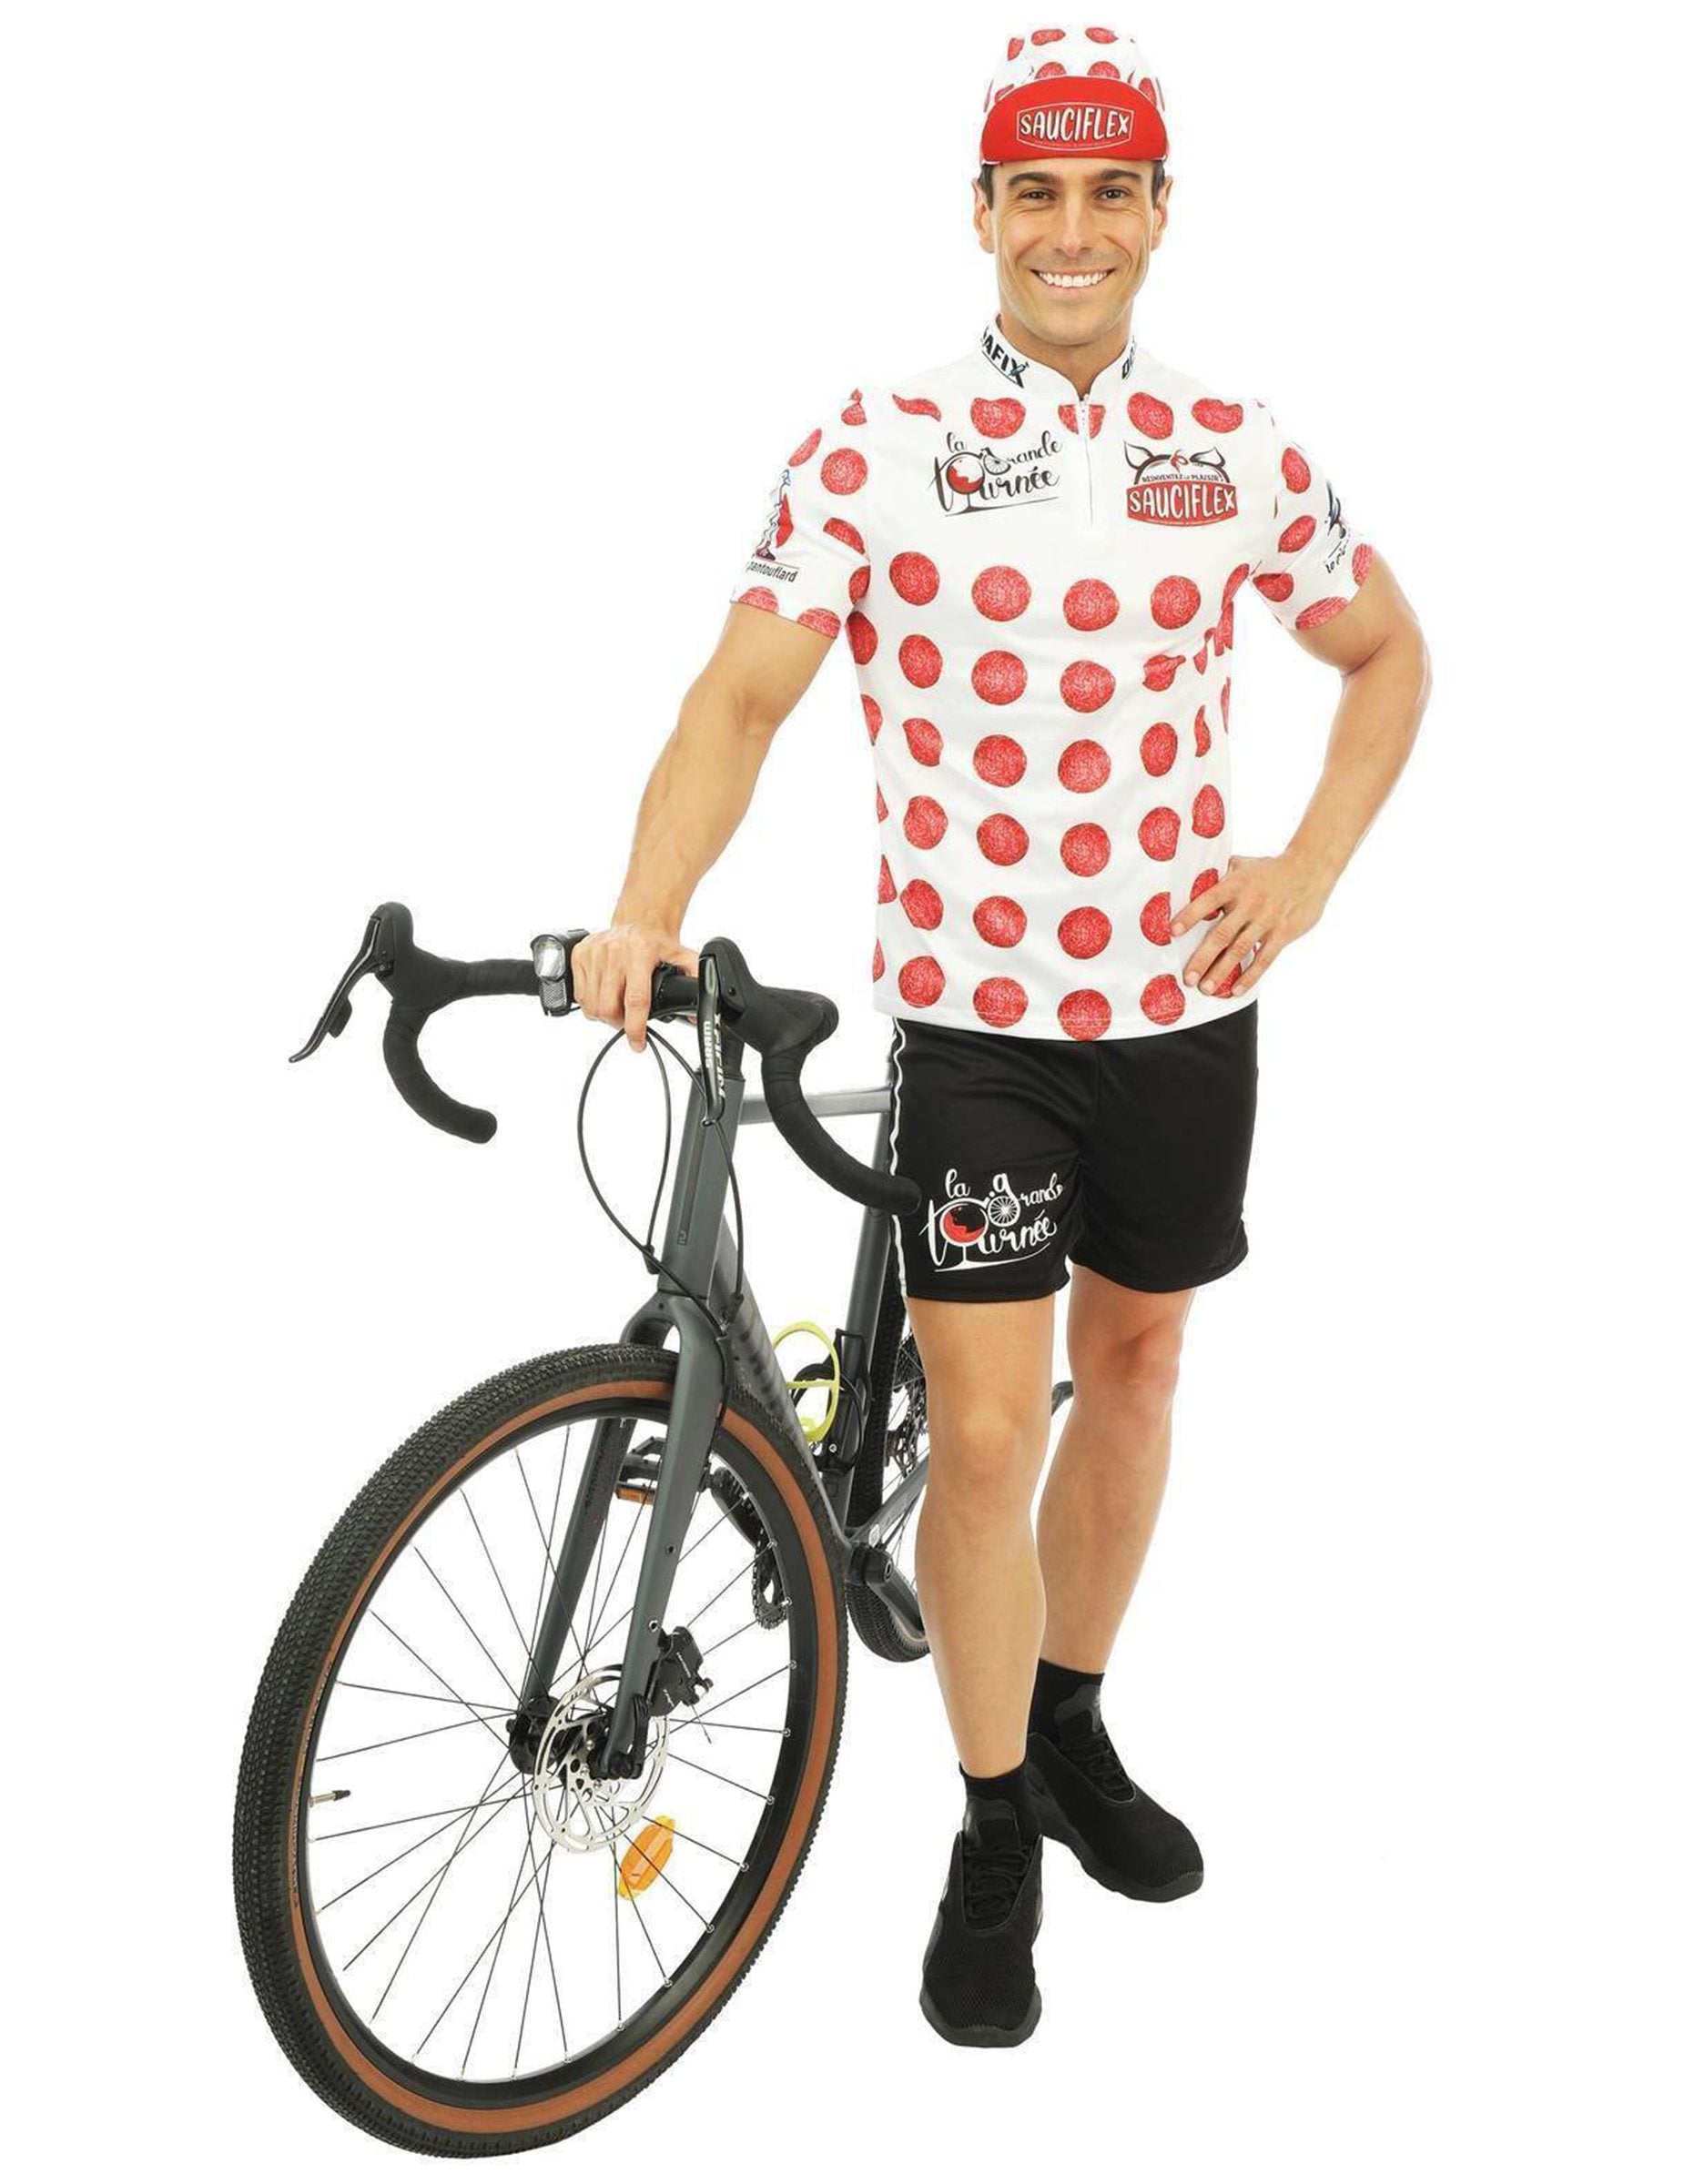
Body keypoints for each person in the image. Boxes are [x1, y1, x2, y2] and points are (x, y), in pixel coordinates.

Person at [573, 24, 1429, 2048]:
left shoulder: (1233, 443)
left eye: (1108, 190)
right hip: (979, 1022)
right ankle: (984, 1831)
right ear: (978, 212)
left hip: (1184, 1014)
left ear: (1157, 212)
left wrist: (1307, 866)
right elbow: (737, 702)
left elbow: (1386, 650)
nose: (1070, 229)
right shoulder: (872, 443)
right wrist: (644, 908)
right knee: (976, 1436)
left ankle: (1066, 1723)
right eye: (1033, 191)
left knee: (1134, 1370)